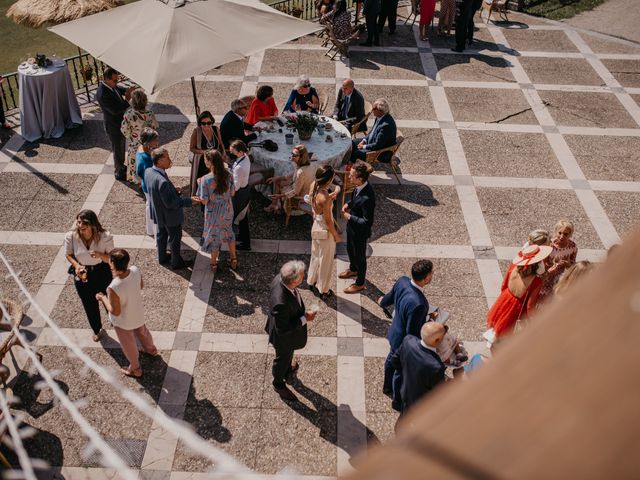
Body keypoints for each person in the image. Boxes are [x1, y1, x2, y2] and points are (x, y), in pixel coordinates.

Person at [379, 260, 436, 410]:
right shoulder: (419, 303)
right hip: (403, 340)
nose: (432, 275)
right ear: (425, 278)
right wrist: (430, 322)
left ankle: (386, 386)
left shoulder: (402, 281)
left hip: (394, 332)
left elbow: (389, 297)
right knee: (401, 371)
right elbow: (412, 332)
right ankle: (397, 401)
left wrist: (382, 302)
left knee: (391, 360)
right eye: (431, 274)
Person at [96, 249, 158, 378]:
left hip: (124, 322)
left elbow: (115, 311)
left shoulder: (114, 287)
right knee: (143, 333)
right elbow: (140, 286)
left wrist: (103, 299)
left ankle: (135, 369)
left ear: (112, 263)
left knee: (129, 345)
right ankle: (151, 350)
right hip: (137, 313)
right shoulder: (135, 270)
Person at [265, 260, 317, 402]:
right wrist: (305, 318)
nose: (304, 276)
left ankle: (288, 368)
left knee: (287, 357)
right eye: (302, 275)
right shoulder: (281, 303)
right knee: (281, 359)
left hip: (287, 331)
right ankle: (278, 384)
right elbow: (283, 329)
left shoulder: (280, 278)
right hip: (283, 338)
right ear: (294, 282)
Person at [145, 148, 199, 269]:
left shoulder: (148, 171)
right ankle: (176, 262)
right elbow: (171, 203)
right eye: (167, 158)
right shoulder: (162, 181)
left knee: (161, 235)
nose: (170, 160)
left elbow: (157, 191)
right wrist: (190, 201)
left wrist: (174, 191)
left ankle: (162, 257)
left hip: (158, 213)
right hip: (170, 216)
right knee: (175, 240)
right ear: (159, 161)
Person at [64, 210, 114, 341]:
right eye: (79, 221)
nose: (81, 225)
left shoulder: (104, 236)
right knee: (88, 303)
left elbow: (111, 258)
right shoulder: (71, 236)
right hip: (82, 272)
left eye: (85, 222)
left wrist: (100, 255)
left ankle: (115, 321)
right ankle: (97, 329)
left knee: (109, 297)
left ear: (92, 223)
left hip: (101, 271)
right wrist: (76, 266)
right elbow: (69, 254)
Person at [486, 244, 552, 338]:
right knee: (508, 335)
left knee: (497, 328)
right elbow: (530, 306)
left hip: (505, 298)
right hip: (516, 308)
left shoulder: (514, 267)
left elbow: (504, 285)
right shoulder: (536, 281)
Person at [391, 322, 446, 414]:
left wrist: (407, 375)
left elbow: (395, 361)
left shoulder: (408, 340)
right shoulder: (436, 367)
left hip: (405, 392)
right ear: (437, 340)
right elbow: (439, 395)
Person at [197, 150, 237, 272]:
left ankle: (213, 264)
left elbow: (204, 200)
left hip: (213, 212)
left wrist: (199, 184)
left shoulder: (205, 179)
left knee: (214, 236)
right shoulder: (229, 174)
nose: (204, 162)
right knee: (229, 232)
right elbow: (233, 192)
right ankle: (233, 259)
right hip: (228, 209)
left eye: (205, 159)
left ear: (210, 162)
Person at [340, 161, 375, 294]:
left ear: (359, 179)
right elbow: (355, 199)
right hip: (352, 228)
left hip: (360, 232)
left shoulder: (368, 197)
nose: (349, 177)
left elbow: (367, 222)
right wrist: (348, 204)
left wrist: (349, 217)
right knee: (350, 249)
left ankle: (360, 283)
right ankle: (353, 269)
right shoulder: (358, 187)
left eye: (352, 175)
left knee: (360, 257)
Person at [307, 165, 342, 300]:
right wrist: (336, 235)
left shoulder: (313, 186)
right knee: (326, 262)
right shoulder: (325, 197)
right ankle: (323, 289)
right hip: (325, 231)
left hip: (316, 225)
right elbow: (328, 222)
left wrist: (332, 195)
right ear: (329, 179)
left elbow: (319, 205)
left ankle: (311, 281)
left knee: (315, 255)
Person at [95, 68, 135, 180]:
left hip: (119, 123)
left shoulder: (111, 86)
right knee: (118, 150)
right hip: (113, 126)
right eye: (115, 81)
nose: (117, 83)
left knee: (121, 147)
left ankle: (121, 166)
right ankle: (119, 172)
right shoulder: (102, 94)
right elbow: (115, 110)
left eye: (117, 80)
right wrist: (127, 100)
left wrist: (128, 90)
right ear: (107, 79)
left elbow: (119, 89)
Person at [120, 89, 158, 183]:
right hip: (148, 143)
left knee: (136, 164)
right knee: (148, 162)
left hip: (135, 144)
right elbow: (154, 126)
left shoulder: (128, 114)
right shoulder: (150, 114)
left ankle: (139, 183)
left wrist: (132, 136)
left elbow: (124, 130)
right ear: (145, 101)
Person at [264, 144, 316, 213]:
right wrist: (275, 178)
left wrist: (279, 196)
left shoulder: (301, 172)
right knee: (278, 180)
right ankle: (274, 205)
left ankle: (275, 204)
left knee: (279, 182)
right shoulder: (305, 164)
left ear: (301, 157)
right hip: (300, 186)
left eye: (294, 155)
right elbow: (289, 176)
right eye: (291, 153)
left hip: (301, 196)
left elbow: (295, 192)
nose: (291, 156)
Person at [539, 219, 578, 302]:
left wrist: (568, 264)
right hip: (547, 279)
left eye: (565, 234)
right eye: (560, 233)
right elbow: (543, 266)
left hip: (561, 280)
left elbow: (573, 264)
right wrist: (553, 265)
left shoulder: (572, 247)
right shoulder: (549, 245)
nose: (562, 236)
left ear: (570, 234)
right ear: (556, 231)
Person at [189, 111, 225, 196]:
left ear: (212, 122)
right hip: (202, 161)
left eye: (209, 123)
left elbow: (220, 143)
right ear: (200, 123)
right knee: (203, 180)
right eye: (203, 123)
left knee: (215, 179)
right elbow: (192, 148)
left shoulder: (216, 129)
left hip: (215, 160)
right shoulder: (196, 131)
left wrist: (223, 154)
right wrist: (205, 152)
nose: (206, 125)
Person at [350, 98, 396, 163]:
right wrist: (364, 140)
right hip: (372, 141)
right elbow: (372, 131)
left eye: (374, 109)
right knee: (352, 143)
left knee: (356, 154)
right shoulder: (379, 117)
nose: (372, 110)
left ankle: (355, 168)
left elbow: (377, 145)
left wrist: (363, 146)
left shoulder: (386, 126)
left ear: (381, 111)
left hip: (380, 152)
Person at [135, 128, 159, 237]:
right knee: (152, 208)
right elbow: (144, 173)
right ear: (148, 141)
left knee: (149, 205)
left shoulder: (141, 149)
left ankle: (150, 230)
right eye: (154, 140)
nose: (156, 142)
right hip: (150, 186)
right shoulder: (145, 158)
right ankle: (154, 230)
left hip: (146, 185)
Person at [229, 140, 252, 251]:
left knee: (241, 217)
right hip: (245, 189)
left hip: (240, 194)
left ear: (240, 151)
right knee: (243, 217)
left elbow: (236, 186)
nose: (232, 153)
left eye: (233, 152)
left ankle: (246, 244)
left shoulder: (239, 168)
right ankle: (243, 237)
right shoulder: (245, 157)